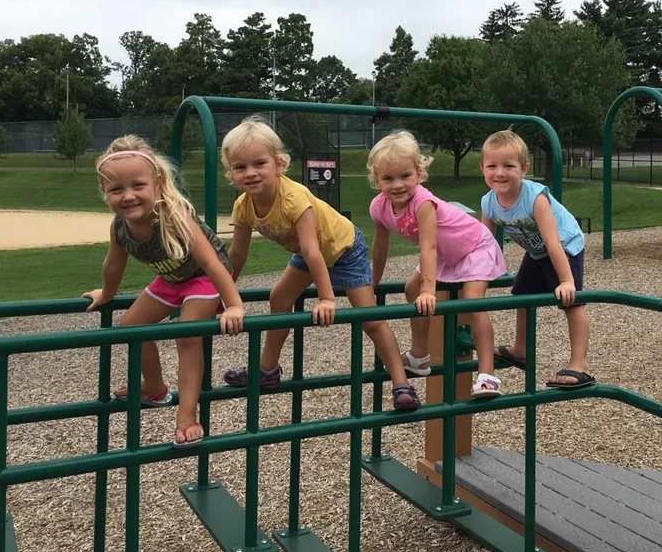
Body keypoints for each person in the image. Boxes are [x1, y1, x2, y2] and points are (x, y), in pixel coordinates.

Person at [219, 116, 419, 411]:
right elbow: (237, 255)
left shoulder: (294, 198)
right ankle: (267, 371)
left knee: (371, 319)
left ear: (279, 164)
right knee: (279, 298)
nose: (250, 173)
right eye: (240, 167)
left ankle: (402, 384)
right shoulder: (243, 206)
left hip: (344, 248)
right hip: (309, 252)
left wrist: (327, 299)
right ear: (231, 172)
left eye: (259, 164)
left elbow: (314, 252)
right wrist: (223, 296)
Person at [83, 135, 245, 448]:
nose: (128, 196)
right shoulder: (119, 227)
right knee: (131, 326)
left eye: (138, 186)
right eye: (117, 189)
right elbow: (113, 266)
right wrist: (106, 293)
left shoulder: (174, 216)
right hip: (171, 280)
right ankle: (155, 388)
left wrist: (233, 304)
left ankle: (187, 415)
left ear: (157, 181)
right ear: (104, 190)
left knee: (187, 334)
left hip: (204, 277)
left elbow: (212, 263)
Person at [368, 130, 507, 399]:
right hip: (447, 253)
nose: (398, 185)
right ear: (377, 181)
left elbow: (428, 247)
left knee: (472, 302)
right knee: (411, 289)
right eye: (388, 178)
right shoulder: (379, 207)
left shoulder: (423, 203)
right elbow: (380, 247)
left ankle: (488, 375)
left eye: (405, 176)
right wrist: (372, 281)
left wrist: (429, 290)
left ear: (419, 174)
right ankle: (419, 356)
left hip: (474, 246)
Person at [479, 130, 595, 389]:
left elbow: (553, 241)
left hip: (564, 246)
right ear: (482, 169)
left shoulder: (534, 197)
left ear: (524, 168)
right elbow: (484, 244)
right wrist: (477, 279)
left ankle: (580, 363)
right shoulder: (489, 203)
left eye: (509, 165)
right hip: (537, 250)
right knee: (522, 294)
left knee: (571, 301)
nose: (500, 172)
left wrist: (566, 281)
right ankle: (521, 349)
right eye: (492, 166)